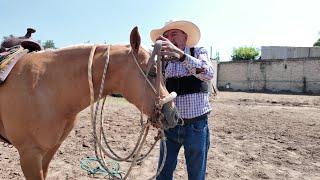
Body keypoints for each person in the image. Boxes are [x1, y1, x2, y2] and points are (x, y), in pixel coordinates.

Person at [150, 20, 214, 180]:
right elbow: (157, 89)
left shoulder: (197, 51)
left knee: (196, 175)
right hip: (170, 125)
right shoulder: (162, 62)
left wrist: (180, 55)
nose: (169, 38)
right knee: (163, 174)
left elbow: (208, 73)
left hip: (196, 126)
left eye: (174, 34)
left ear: (185, 37)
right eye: (166, 36)